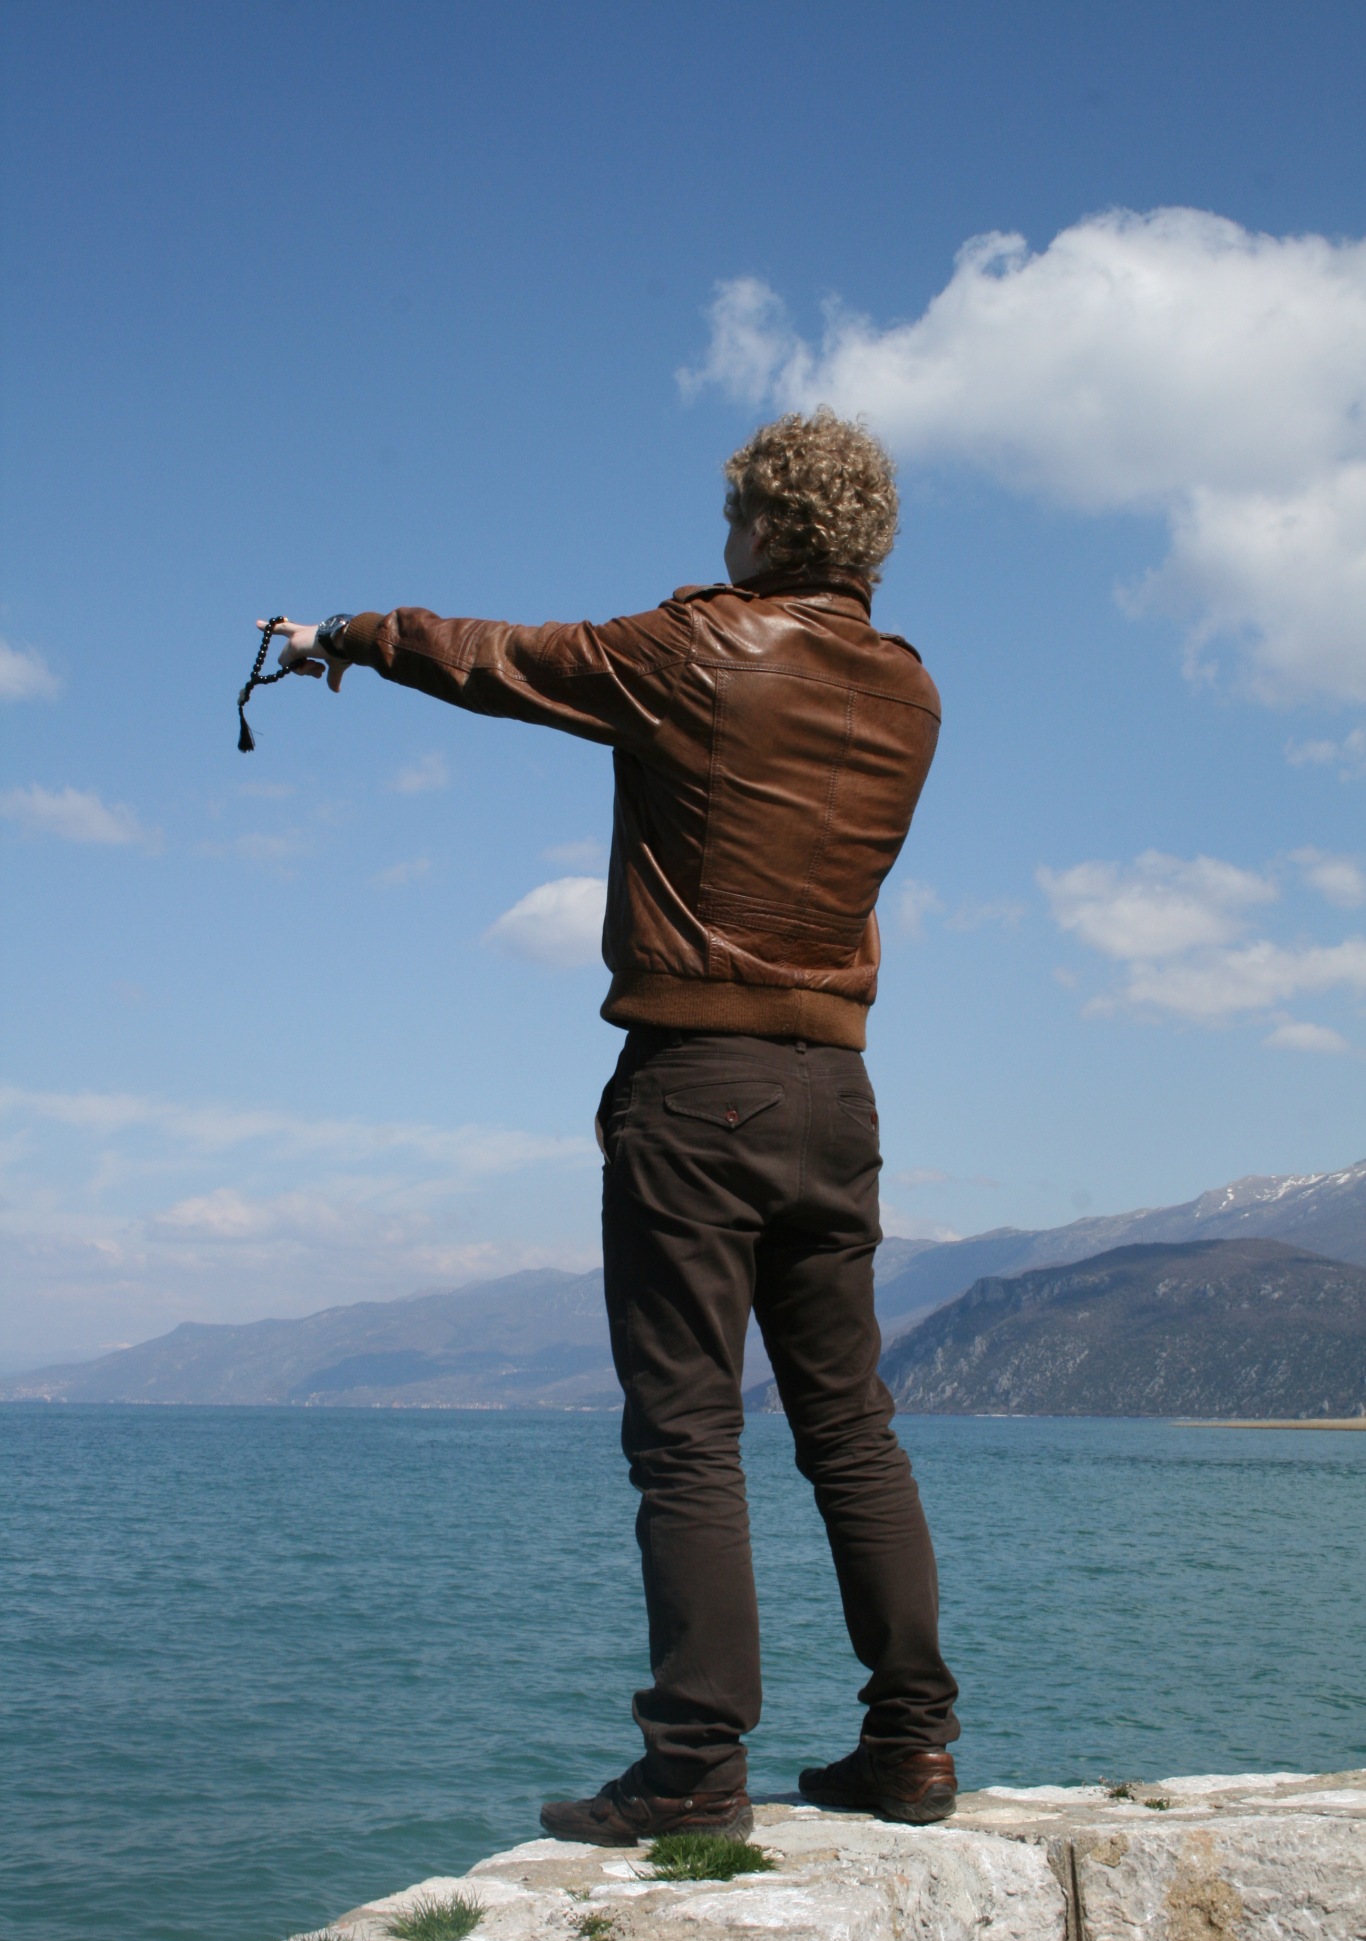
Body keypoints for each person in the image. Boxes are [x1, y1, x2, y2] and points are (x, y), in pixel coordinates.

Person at [262, 406, 960, 1845]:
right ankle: (912, 1749)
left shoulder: (697, 650)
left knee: (688, 1434)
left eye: (731, 517)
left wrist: (344, 635)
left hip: (698, 1084)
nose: (720, 538)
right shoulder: (911, 692)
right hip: (838, 1093)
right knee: (849, 1428)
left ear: (764, 526)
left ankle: (693, 1767)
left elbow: (502, 659)